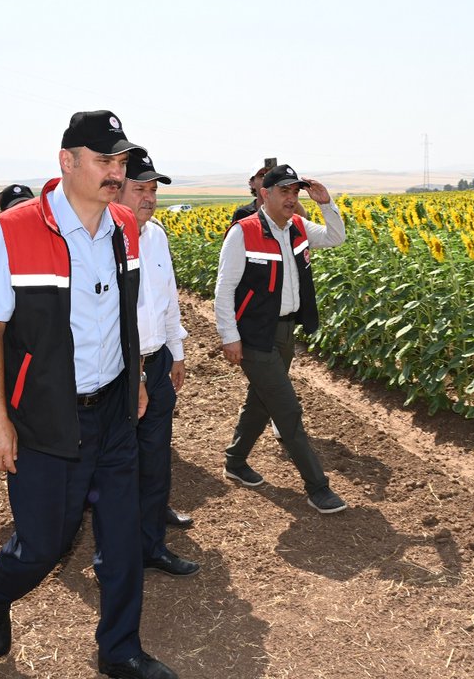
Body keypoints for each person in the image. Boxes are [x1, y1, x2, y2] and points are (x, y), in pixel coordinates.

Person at [0, 110, 177, 679]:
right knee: (44, 545)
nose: (117, 172)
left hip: (114, 410)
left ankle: (120, 649)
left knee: (122, 535)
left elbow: (125, 313)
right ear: (67, 160)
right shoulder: (15, 229)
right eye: (104, 160)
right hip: (46, 417)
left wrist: (135, 376)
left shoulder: (124, 226)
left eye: (121, 161)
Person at [216, 164, 348, 514]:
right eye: (284, 191)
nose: (291, 198)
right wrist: (229, 337)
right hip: (254, 334)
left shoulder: (298, 226)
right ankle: (318, 487)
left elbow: (336, 237)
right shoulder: (243, 232)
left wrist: (325, 203)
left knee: (261, 401)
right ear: (265, 194)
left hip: (285, 331)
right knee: (287, 409)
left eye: (295, 192)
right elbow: (224, 289)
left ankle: (235, 462)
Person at [117, 154, 198, 576]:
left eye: (153, 190)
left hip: (158, 360)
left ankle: (151, 544)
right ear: (116, 188)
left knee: (156, 455)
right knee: (118, 461)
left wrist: (176, 352)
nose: (149, 198)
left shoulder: (157, 235)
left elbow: (168, 298)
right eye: (140, 189)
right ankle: (118, 548)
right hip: (118, 368)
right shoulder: (104, 238)